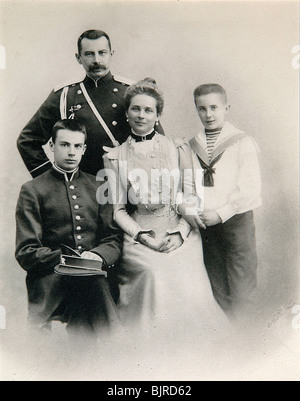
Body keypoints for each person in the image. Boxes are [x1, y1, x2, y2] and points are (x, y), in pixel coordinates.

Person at [103, 78, 227, 337]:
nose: (141, 115)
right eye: (136, 109)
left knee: (181, 270)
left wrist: (181, 232)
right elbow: (118, 210)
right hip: (140, 233)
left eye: (149, 110)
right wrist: (140, 236)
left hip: (180, 228)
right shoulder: (115, 157)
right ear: (127, 113)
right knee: (152, 272)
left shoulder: (178, 148)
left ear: (158, 114)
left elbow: (191, 196)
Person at [15, 119, 122, 336]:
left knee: (92, 285)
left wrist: (98, 256)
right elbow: (26, 251)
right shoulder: (33, 190)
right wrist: (67, 260)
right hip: (52, 282)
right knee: (93, 289)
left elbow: (113, 239)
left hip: (94, 277)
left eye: (76, 146)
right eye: (64, 145)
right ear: (52, 146)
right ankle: (116, 347)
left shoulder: (98, 186)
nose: (71, 152)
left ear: (83, 150)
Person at [17, 29, 164, 178]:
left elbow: (158, 140)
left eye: (102, 52)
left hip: (129, 184)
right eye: (89, 54)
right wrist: (54, 180)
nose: (96, 60)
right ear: (78, 58)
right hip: (86, 189)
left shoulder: (131, 92)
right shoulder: (65, 95)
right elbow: (27, 141)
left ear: (111, 54)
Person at [178, 83, 262, 320]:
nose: (209, 114)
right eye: (202, 109)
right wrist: (195, 211)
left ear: (226, 107)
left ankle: (247, 337)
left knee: (241, 283)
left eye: (214, 107)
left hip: (236, 221)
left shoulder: (241, 142)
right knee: (216, 284)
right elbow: (189, 184)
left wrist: (222, 213)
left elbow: (251, 189)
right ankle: (230, 339)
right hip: (206, 224)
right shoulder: (193, 146)